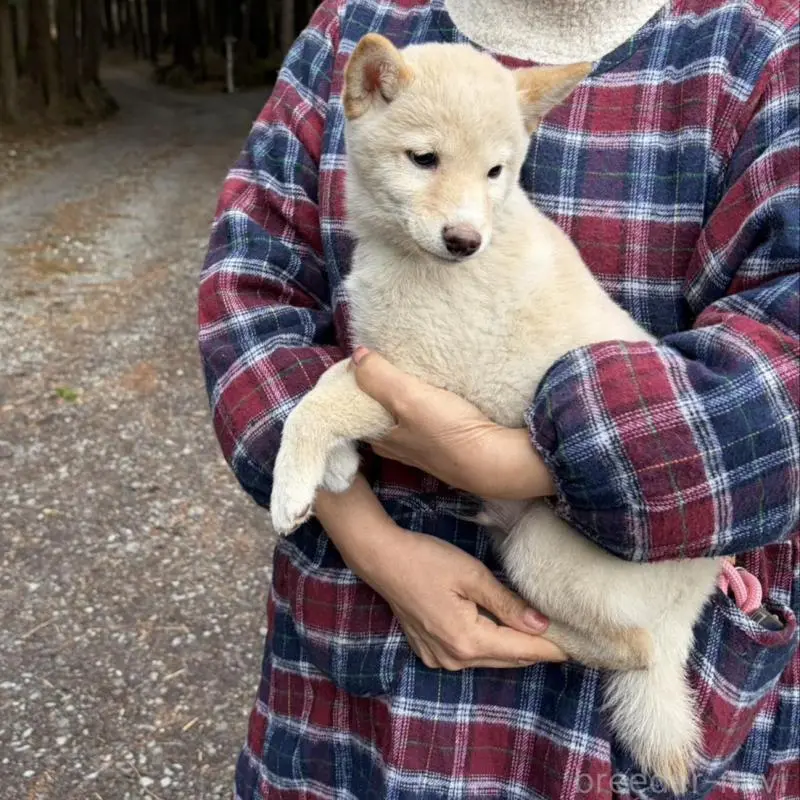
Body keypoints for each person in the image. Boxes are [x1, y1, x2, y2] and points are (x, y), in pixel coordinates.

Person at [198, 0, 799, 796]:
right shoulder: (354, 24)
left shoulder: (760, 46)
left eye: (492, 176)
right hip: (365, 671)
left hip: (622, 610)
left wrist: (519, 461)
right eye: (423, 158)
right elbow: (247, 292)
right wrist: (368, 538)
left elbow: (781, 364)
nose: (467, 219)